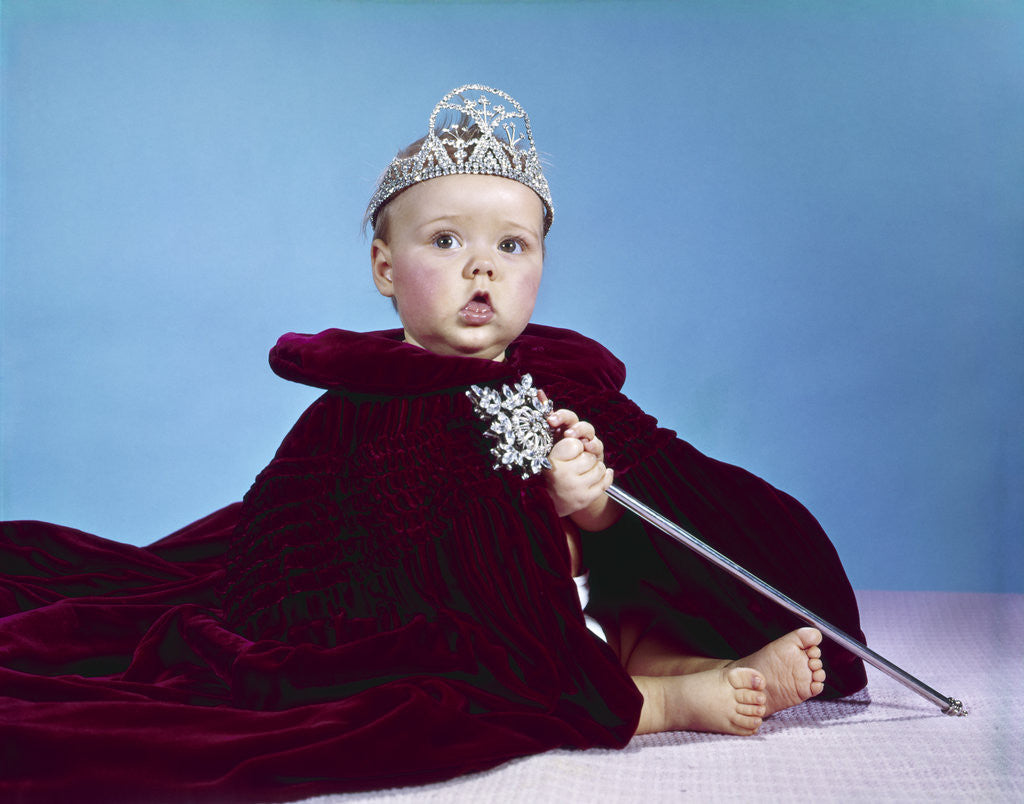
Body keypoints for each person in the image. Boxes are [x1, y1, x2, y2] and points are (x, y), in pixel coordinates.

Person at [0, 85, 866, 803]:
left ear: (540, 265)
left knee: (635, 599)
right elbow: (353, 560)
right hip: (476, 621)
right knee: (464, 663)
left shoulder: (567, 381)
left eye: (511, 246)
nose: (480, 268)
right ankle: (663, 701)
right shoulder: (362, 408)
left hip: (585, 603)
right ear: (386, 267)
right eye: (446, 241)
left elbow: (640, 520)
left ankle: (681, 663)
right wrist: (526, 519)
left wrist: (592, 501)